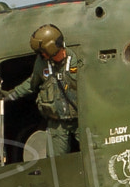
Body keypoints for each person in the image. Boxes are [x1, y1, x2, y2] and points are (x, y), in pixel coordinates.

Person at [8, 23, 79, 157]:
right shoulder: (42, 63)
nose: (42, 56)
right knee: (56, 161)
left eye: (43, 53)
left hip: (81, 119)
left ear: (51, 49)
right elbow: (32, 83)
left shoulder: (76, 59)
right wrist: (13, 94)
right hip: (58, 124)